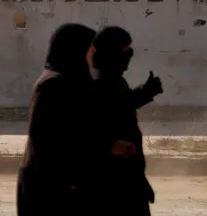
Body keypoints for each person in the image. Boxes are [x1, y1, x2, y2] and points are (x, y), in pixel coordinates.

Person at [16, 23, 134, 216]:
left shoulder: (69, 81)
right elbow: (55, 138)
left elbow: (79, 126)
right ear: (74, 50)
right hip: (50, 188)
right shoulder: (54, 85)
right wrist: (108, 146)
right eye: (89, 48)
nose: (93, 53)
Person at [92, 26, 164, 216]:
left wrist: (146, 92)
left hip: (127, 181)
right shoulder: (98, 84)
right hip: (114, 187)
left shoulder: (113, 81)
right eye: (125, 51)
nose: (129, 56)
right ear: (112, 51)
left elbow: (123, 106)